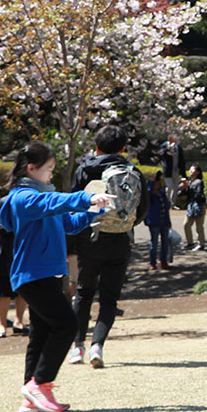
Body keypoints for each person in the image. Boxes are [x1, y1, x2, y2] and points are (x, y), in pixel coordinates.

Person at [0, 143, 111, 412]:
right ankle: (40, 384)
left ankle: (31, 394)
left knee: (42, 332)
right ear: (31, 169)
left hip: (43, 273)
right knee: (66, 324)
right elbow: (50, 204)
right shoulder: (22, 198)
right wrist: (86, 198)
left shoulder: (41, 198)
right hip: (33, 274)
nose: (50, 175)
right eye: (47, 169)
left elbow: (67, 223)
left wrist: (95, 212)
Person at [68, 126, 136, 365]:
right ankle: (98, 346)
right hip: (120, 239)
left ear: (96, 147)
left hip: (90, 239)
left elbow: (73, 202)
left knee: (84, 293)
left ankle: (78, 347)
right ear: (123, 148)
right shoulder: (131, 171)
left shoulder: (85, 169)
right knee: (109, 298)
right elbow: (141, 207)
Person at [0, 185, 28, 339]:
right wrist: (15, 228)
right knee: (3, 292)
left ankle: (19, 322)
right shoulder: (4, 202)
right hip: (5, 252)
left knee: (23, 289)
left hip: (24, 251)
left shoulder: (30, 201)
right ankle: (2, 324)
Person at [145, 170, 174, 271]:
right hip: (154, 222)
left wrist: (169, 221)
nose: (157, 185)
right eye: (155, 184)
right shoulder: (150, 195)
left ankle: (163, 261)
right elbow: (147, 193)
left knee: (165, 242)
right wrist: (152, 182)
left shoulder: (161, 194)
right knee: (154, 242)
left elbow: (166, 208)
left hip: (164, 220)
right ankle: (153, 263)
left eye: (158, 184)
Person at [179, 165, 207, 251]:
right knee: (186, 224)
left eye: (192, 170)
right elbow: (181, 195)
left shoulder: (199, 182)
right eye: (190, 169)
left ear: (197, 172)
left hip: (199, 205)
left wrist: (188, 187)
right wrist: (183, 188)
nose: (190, 171)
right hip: (191, 205)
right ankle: (190, 243)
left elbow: (198, 194)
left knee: (199, 226)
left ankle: (201, 244)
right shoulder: (188, 181)